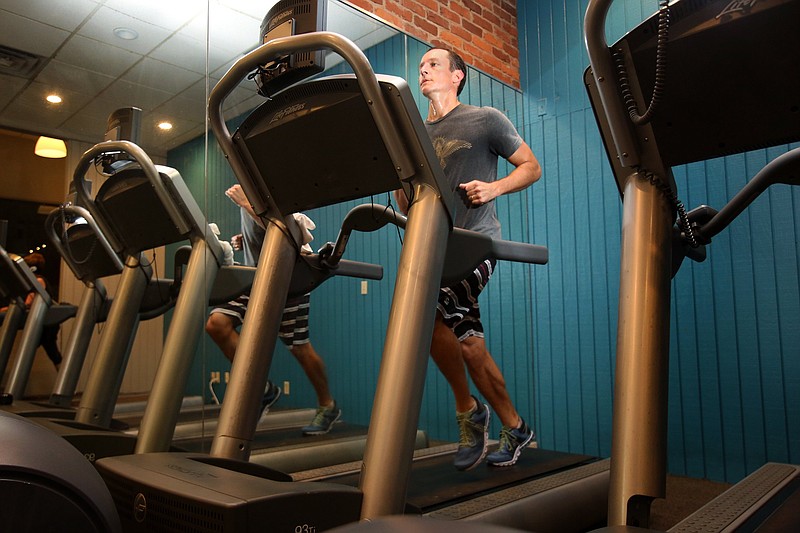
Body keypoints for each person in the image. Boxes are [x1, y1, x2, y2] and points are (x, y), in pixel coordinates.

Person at [395, 47, 543, 470]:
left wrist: (494, 189)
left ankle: (467, 410)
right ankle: (514, 426)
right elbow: (406, 204)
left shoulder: (486, 119)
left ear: (457, 75)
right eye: (420, 67)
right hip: (436, 251)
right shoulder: (416, 134)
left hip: (477, 243)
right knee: (471, 346)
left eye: (434, 65)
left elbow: (530, 167)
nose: (424, 71)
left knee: (428, 314)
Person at [205, 184, 341, 436]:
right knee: (217, 324)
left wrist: (247, 204)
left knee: (299, 347)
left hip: (288, 279)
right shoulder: (248, 187)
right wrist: (244, 237)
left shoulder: (268, 186)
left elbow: (287, 231)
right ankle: (262, 389)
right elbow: (265, 229)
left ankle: (327, 404)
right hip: (254, 279)